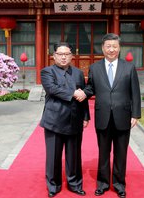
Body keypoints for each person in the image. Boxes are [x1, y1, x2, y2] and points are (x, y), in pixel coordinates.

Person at [75, 33, 141, 198]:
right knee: (103, 152)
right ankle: (102, 184)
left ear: (119, 48)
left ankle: (119, 185)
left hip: (123, 116)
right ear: (103, 48)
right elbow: (91, 88)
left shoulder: (129, 67)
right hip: (102, 116)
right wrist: (82, 93)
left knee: (121, 153)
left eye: (115, 46)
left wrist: (136, 114)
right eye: (108, 46)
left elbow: (135, 92)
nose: (111, 49)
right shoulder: (95, 68)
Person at [40, 42, 90, 197]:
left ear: (72, 56)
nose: (63, 57)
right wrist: (74, 93)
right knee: (53, 156)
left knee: (74, 155)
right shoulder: (47, 72)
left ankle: (75, 184)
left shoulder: (78, 73)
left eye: (66, 54)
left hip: (75, 119)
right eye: (60, 54)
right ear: (54, 56)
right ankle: (53, 186)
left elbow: (83, 96)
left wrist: (86, 116)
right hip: (54, 120)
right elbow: (53, 89)